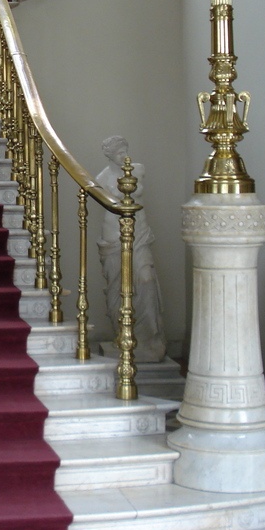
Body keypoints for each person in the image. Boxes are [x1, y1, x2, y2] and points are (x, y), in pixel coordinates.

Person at [95, 135, 167, 362]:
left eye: (126, 151)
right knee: (118, 287)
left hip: (140, 233)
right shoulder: (102, 178)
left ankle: (149, 339)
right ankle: (123, 337)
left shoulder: (138, 169)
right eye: (119, 153)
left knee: (145, 279)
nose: (124, 156)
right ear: (109, 155)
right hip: (114, 236)